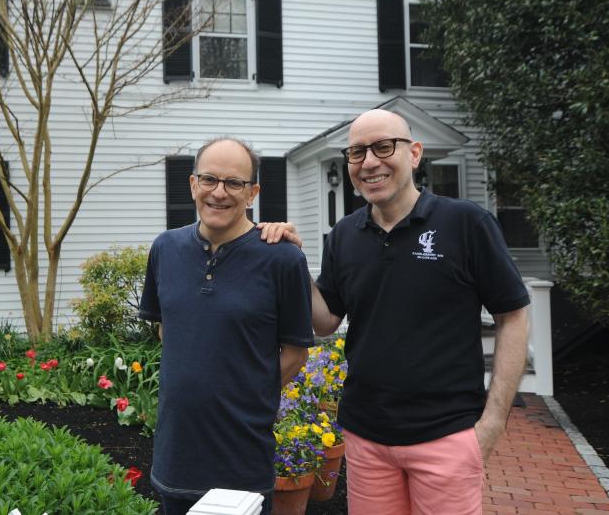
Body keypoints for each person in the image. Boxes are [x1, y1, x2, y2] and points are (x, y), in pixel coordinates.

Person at [259, 109, 530, 515]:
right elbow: (325, 321)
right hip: (368, 439)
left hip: (447, 437)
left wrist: (493, 422)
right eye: (356, 152)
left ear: (415, 153)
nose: (369, 162)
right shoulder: (344, 236)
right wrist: (294, 261)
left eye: (383, 147)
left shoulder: (465, 224)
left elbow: (514, 316)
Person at [138, 137, 314, 515]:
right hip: (176, 456)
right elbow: (167, 329)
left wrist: (245, 393)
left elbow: (296, 354)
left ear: (252, 193)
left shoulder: (282, 260)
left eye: (234, 183)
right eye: (209, 180)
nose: (219, 192)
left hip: (242, 459)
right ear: (192, 185)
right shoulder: (164, 250)